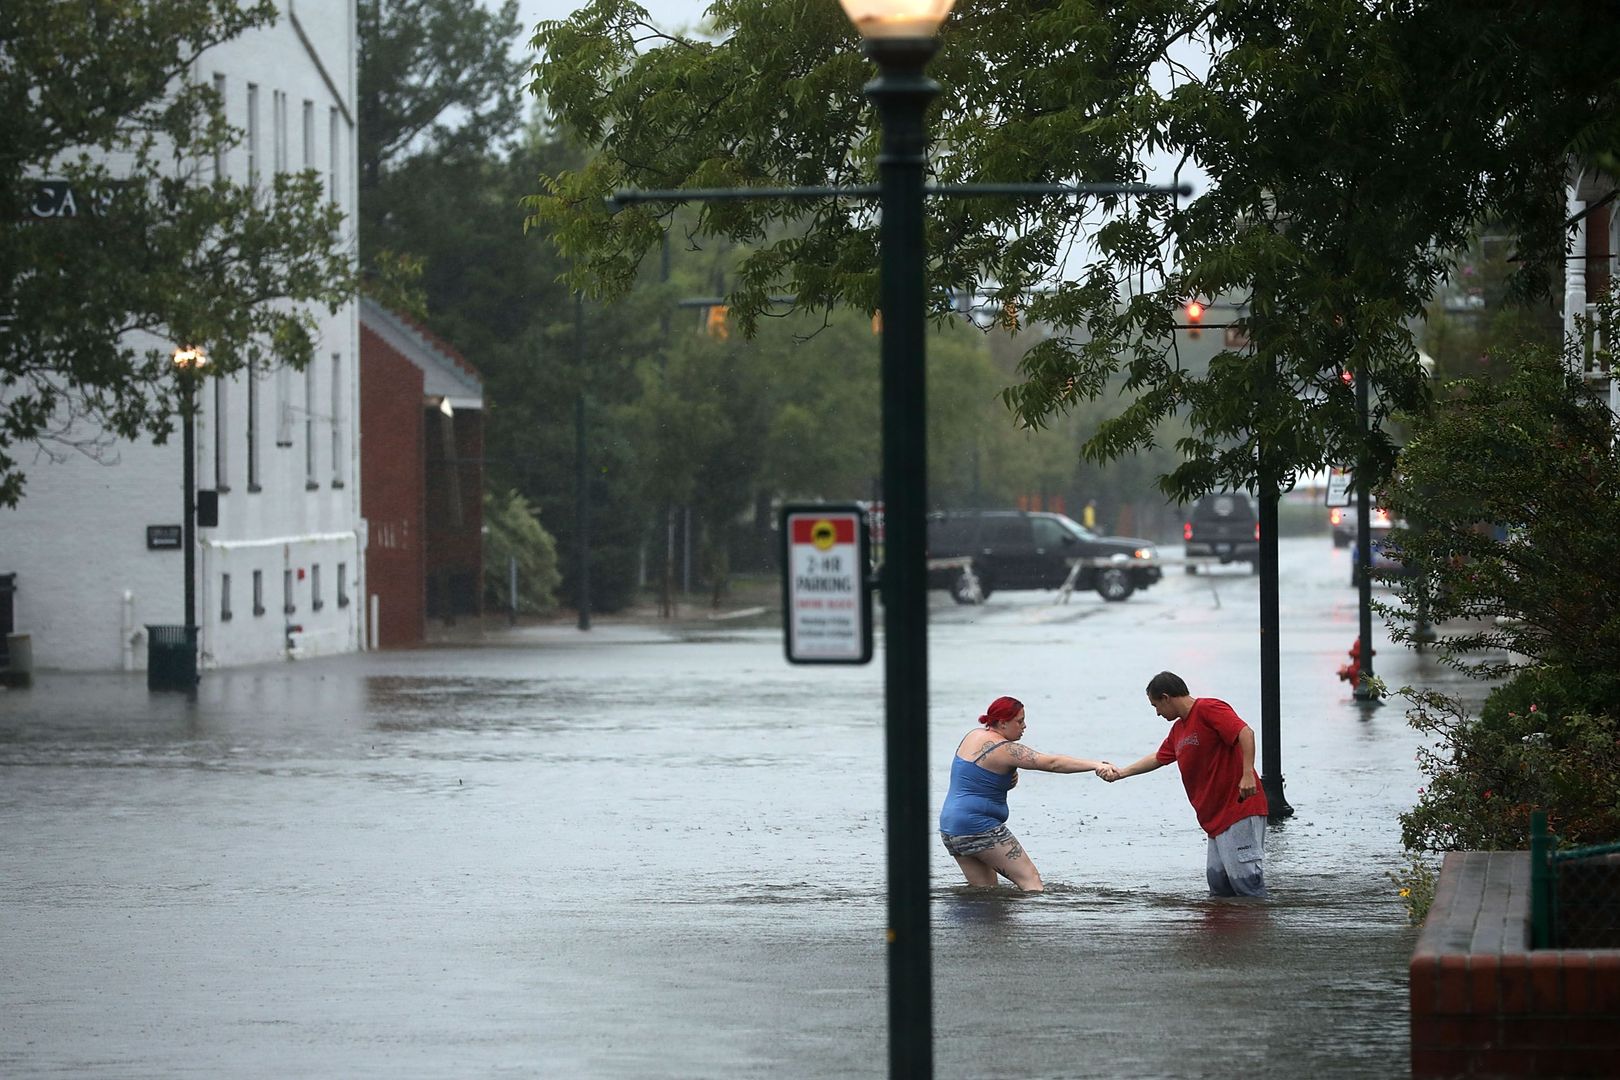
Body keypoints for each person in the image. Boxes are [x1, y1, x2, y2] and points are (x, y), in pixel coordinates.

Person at [1098, 671, 1270, 898]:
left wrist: (1247, 773)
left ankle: (1257, 931)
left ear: (1166, 697)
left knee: (1246, 885)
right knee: (1219, 886)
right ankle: (1224, 934)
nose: (1157, 713)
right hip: (1214, 820)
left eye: (1156, 706)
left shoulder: (1209, 708)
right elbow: (1159, 757)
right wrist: (1121, 773)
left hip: (1239, 809)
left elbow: (1244, 732)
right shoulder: (1179, 730)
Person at [939, 695, 1110, 892]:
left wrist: (1006, 780)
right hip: (978, 826)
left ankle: (973, 925)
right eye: (1019, 721)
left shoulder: (973, 735)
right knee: (1032, 882)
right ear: (1002, 723)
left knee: (985, 892)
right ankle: (1036, 922)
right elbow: (1052, 763)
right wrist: (1096, 765)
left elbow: (977, 776)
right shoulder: (1006, 749)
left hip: (951, 829)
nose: (1024, 726)